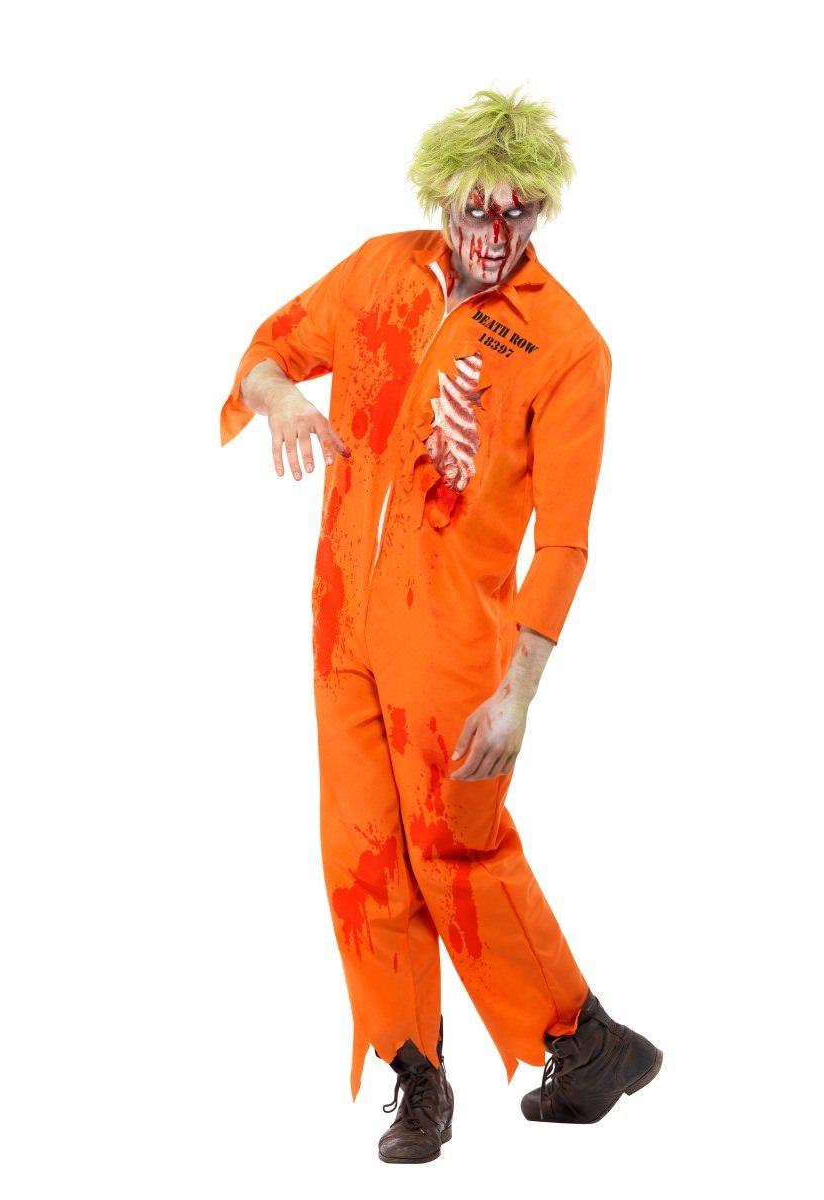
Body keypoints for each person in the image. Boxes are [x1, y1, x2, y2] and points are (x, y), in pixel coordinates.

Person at [218, 87, 662, 1162]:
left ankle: (580, 1035)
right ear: (443, 195)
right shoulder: (380, 271)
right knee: (361, 854)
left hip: (454, 638)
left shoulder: (567, 346)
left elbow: (565, 542)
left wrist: (519, 691)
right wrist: (280, 396)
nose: (496, 235)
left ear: (542, 210)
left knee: (455, 846)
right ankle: (418, 1076)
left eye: (519, 213)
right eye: (478, 210)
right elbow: (268, 349)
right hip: (342, 623)